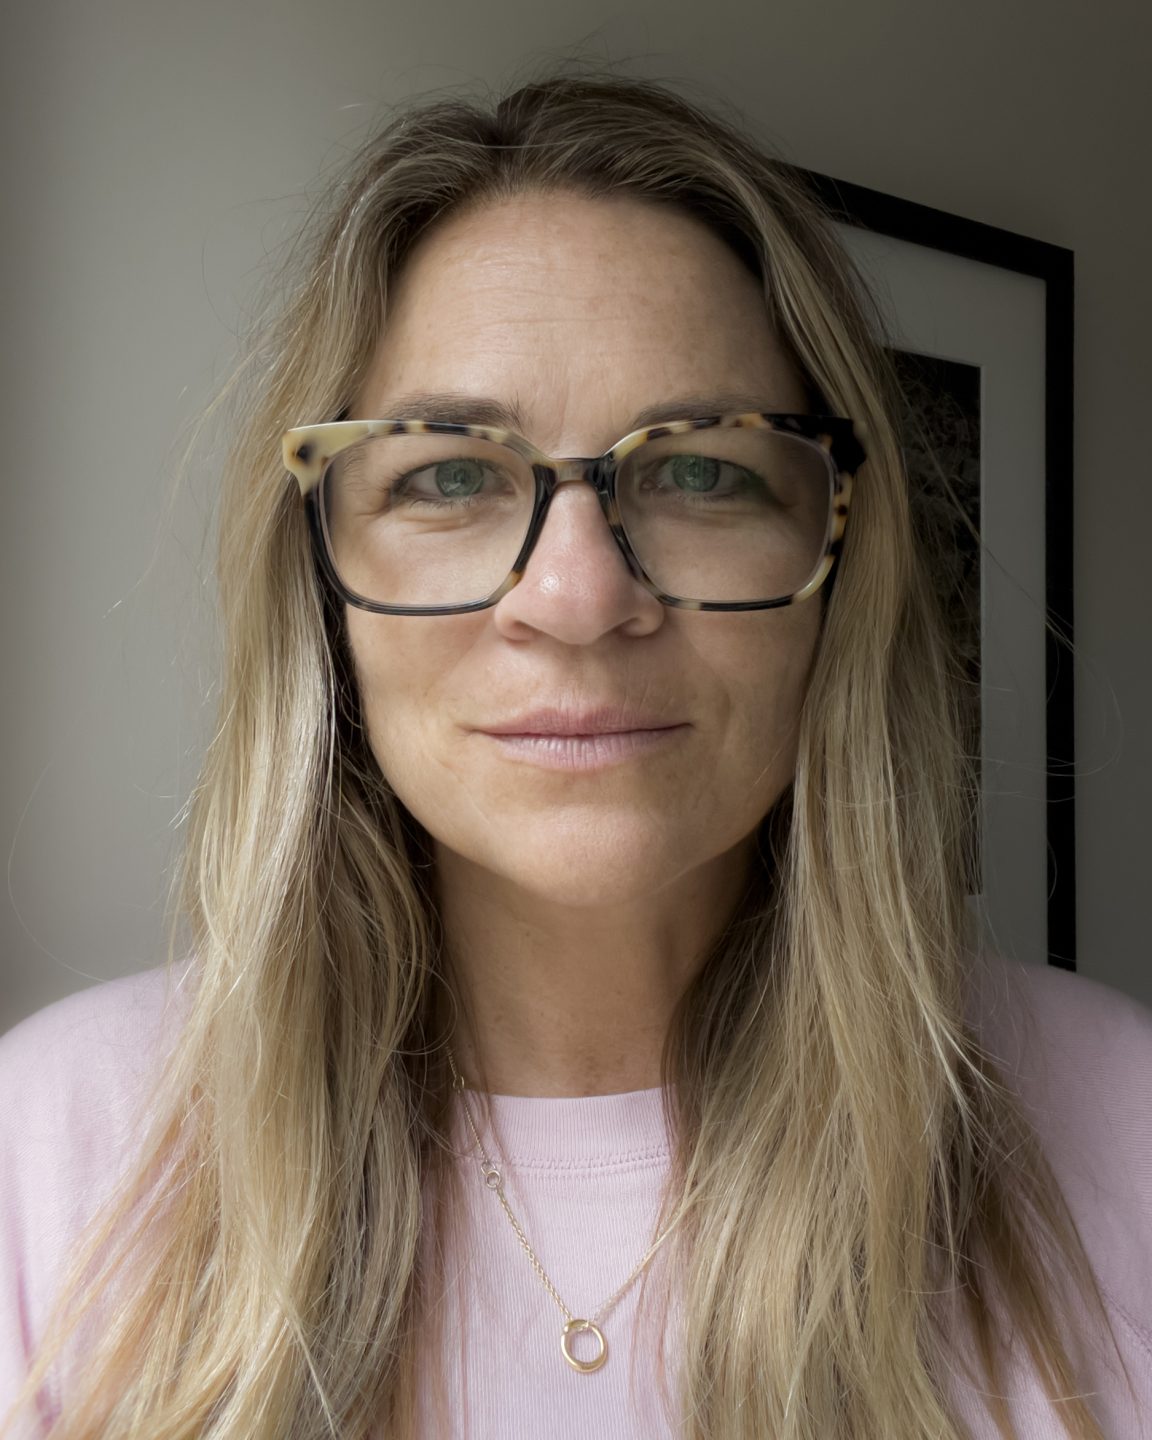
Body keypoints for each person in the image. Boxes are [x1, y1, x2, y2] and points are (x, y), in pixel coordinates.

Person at [0, 66, 1149, 1440]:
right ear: (321, 586)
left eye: (704, 470)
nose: (580, 596)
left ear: (840, 566)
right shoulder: (54, 1149)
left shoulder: (1121, 1118)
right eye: (448, 475)